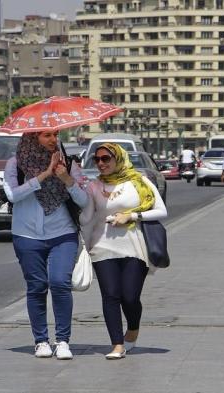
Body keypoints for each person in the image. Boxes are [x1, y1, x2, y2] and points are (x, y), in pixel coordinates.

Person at [3, 132, 88, 360]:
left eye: (55, 135)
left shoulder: (68, 164)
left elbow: (84, 200)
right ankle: (41, 341)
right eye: (46, 135)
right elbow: (12, 195)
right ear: (33, 138)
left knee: (60, 283)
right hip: (26, 236)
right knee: (37, 286)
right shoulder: (15, 164)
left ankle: (62, 340)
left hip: (63, 234)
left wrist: (66, 179)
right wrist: (44, 175)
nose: (53, 139)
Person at [80, 143, 167, 360]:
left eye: (105, 158)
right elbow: (86, 219)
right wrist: (74, 189)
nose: (101, 163)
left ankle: (134, 326)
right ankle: (117, 344)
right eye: (96, 160)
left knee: (129, 296)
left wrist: (132, 216)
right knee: (110, 295)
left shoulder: (139, 181)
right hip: (102, 246)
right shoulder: (93, 186)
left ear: (118, 158)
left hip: (134, 245)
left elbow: (161, 211)